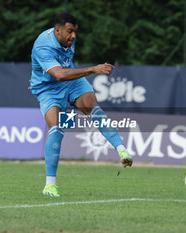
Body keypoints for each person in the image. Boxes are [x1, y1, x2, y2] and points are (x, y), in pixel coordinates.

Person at [30, 12, 133, 197]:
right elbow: (58, 74)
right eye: (70, 32)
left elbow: (65, 71)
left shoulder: (68, 39)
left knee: (94, 109)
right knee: (57, 128)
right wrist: (93, 69)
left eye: (75, 32)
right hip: (48, 88)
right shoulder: (42, 45)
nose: (74, 36)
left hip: (71, 81)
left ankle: (122, 151)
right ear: (57, 30)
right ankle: (50, 185)